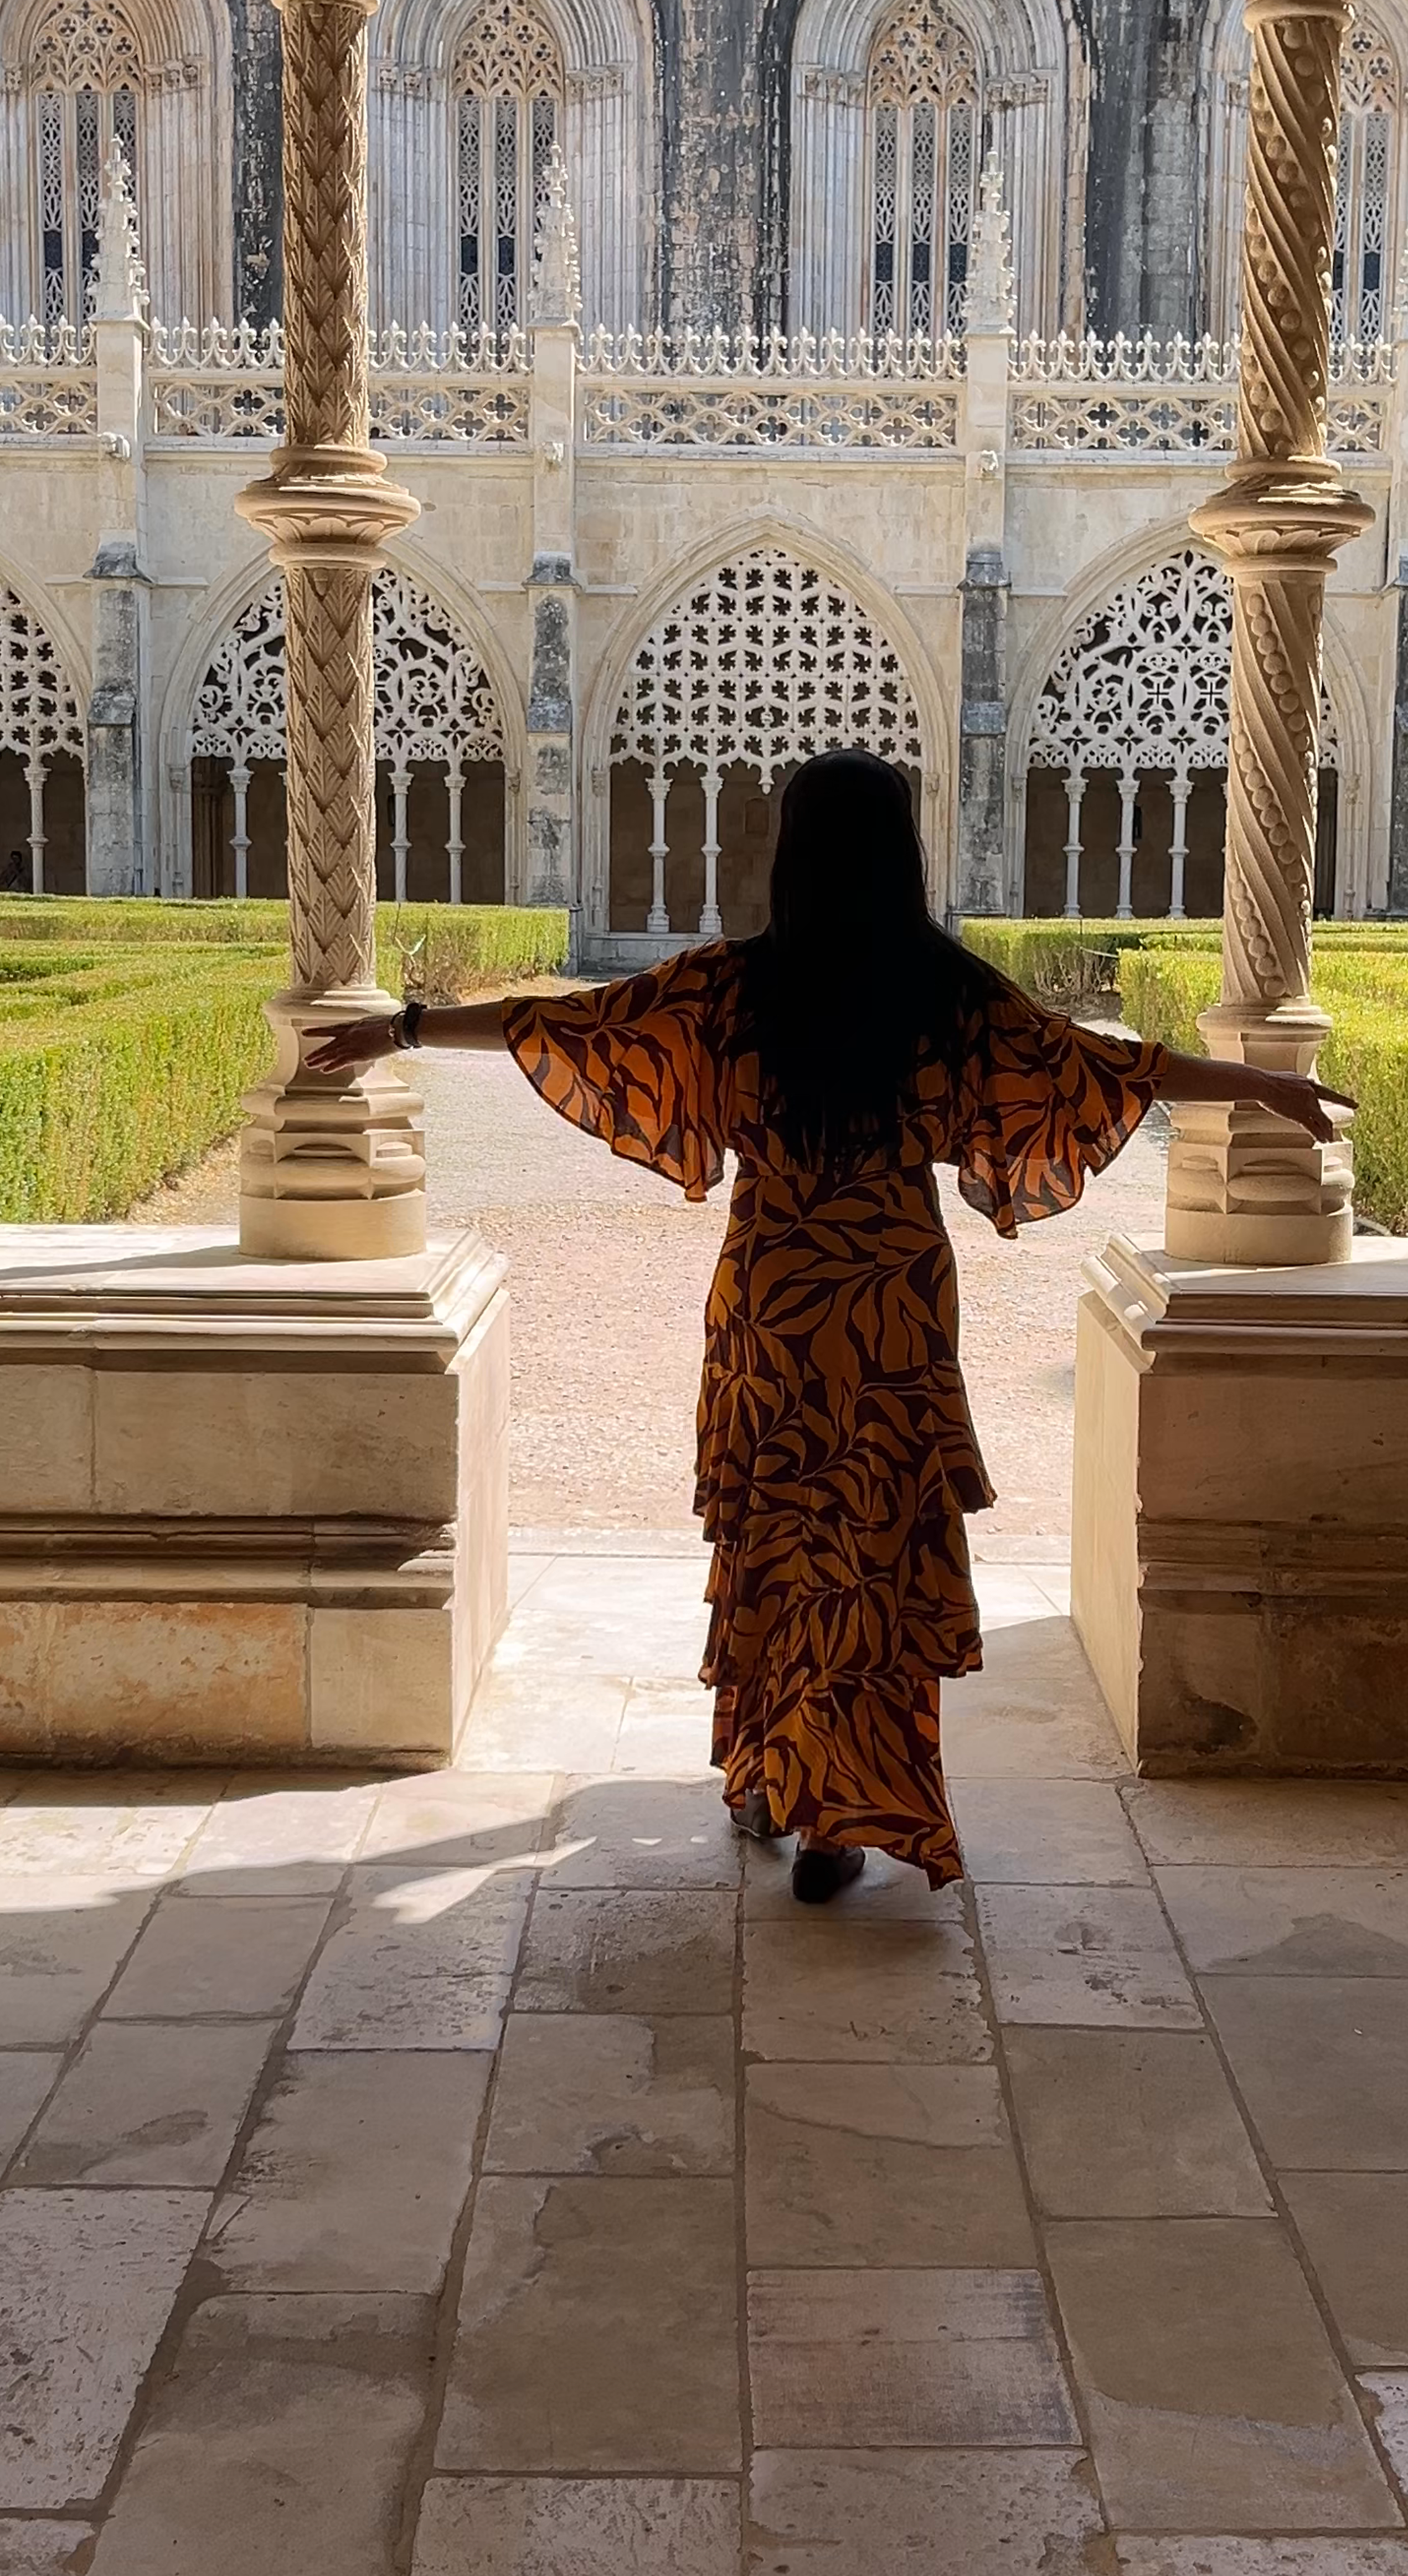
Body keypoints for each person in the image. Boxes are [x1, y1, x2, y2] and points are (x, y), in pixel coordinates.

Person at [309, 750, 1345, 1903]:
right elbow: (1105, 1066)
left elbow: (568, 1023)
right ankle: (833, 1820)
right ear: (899, 853)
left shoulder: (738, 986)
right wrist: (1262, 1086)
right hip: (891, 1308)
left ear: (793, 853)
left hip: (777, 1303)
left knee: (781, 1532)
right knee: (870, 1552)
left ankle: (773, 1771)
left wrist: (403, 1025)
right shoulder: (944, 991)